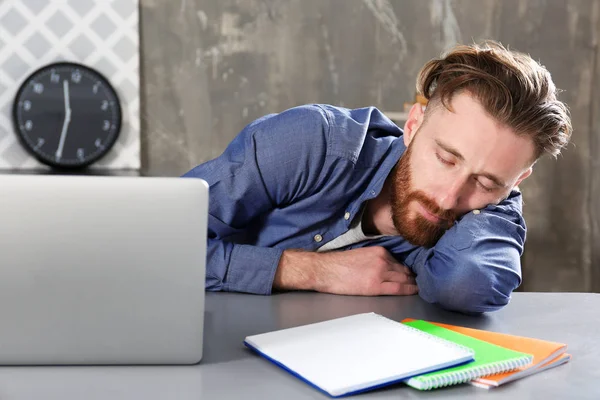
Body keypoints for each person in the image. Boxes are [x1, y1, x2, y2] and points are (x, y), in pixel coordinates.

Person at [182, 40, 572, 314]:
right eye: (445, 158)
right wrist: (308, 270)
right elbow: (151, 243)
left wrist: (500, 198)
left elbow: (468, 283)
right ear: (414, 124)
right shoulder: (313, 142)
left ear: (516, 183)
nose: (449, 198)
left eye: (486, 182)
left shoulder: (478, 219)